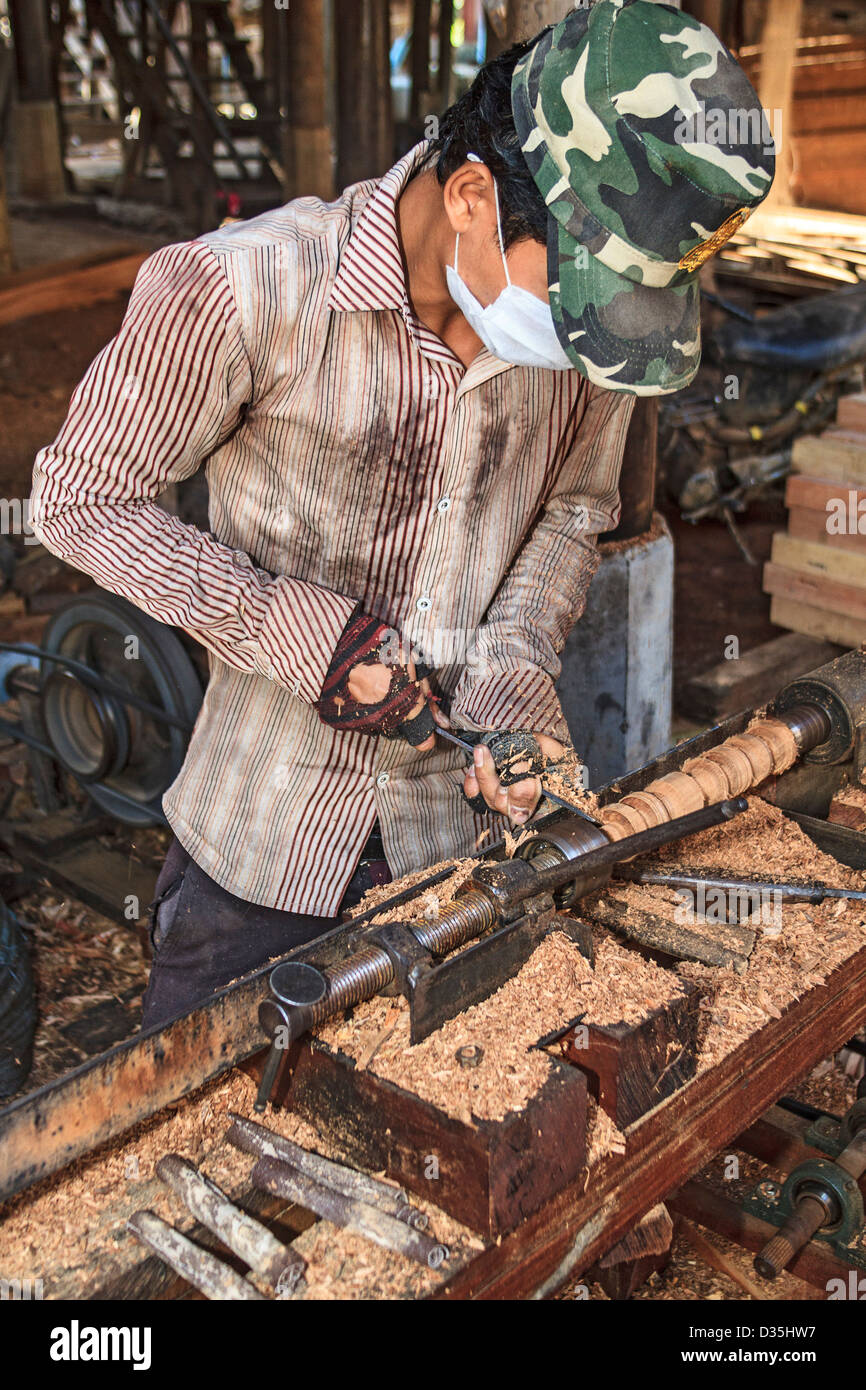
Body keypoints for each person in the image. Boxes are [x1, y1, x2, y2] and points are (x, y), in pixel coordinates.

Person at [29, 1, 774, 1025]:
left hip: (457, 861)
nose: (583, 337)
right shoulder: (244, 289)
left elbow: (569, 513)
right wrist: (288, 627)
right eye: (574, 301)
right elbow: (80, 498)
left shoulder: (587, 343)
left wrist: (511, 676)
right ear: (470, 195)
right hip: (261, 850)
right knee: (197, 1133)